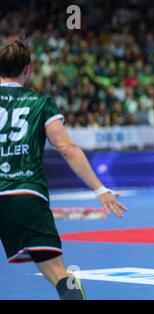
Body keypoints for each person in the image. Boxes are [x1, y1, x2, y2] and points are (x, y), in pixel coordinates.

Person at [0, 40, 128, 300]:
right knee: (59, 274)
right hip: (26, 195)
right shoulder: (40, 103)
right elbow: (67, 148)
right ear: (28, 69)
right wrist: (100, 189)